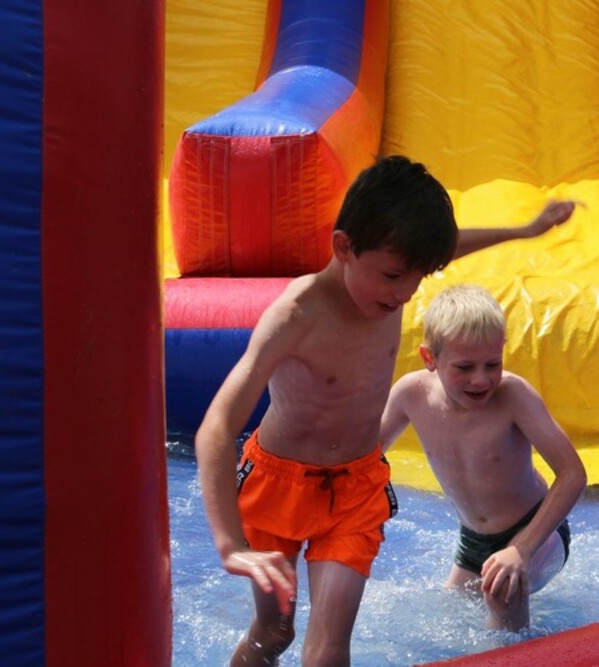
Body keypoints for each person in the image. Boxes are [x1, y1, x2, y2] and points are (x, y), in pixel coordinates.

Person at [194, 155, 577, 667]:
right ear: (343, 247)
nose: (405, 294)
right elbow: (217, 427)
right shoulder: (296, 316)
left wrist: (523, 231)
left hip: (354, 488)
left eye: (417, 277)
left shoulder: (385, 283)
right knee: (274, 632)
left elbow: (437, 250)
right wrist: (229, 546)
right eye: (394, 276)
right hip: (278, 483)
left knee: (327, 652)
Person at [380, 284, 587, 632]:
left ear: (502, 348)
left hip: (535, 532)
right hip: (472, 540)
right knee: (446, 618)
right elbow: (364, 456)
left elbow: (573, 474)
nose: (481, 379)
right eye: (464, 367)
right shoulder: (410, 395)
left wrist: (521, 549)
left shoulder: (514, 397)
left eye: (493, 364)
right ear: (430, 358)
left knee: (501, 604)